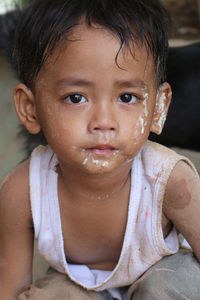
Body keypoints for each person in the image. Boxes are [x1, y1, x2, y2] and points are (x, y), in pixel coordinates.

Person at [0, 0, 200, 299]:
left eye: (128, 97)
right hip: (76, 284)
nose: (104, 122)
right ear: (30, 109)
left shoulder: (170, 181)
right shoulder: (22, 192)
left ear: (158, 108)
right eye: (76, 98)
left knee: (168, 285)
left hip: (162, 272)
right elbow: (9, 286)